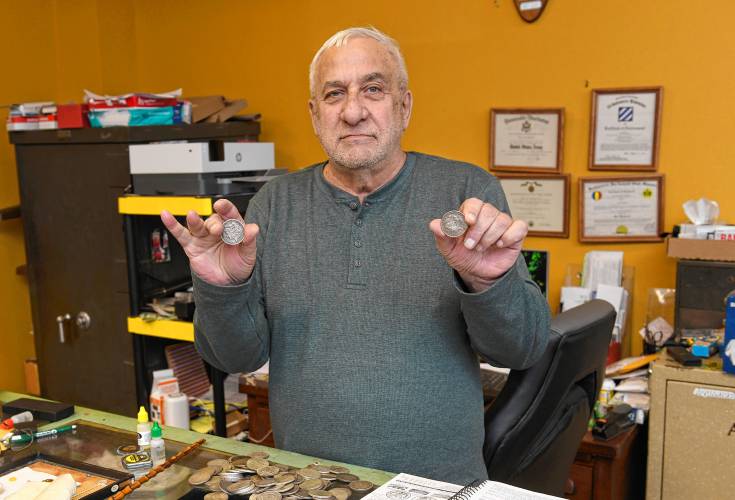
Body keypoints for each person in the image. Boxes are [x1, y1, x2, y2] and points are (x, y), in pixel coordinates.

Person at [161, 27, 550, 484]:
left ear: (403, 105)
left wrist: (487, 285)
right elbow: (234, 359)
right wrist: (222, 290)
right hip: (308, 485)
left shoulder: (467, 193)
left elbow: (522, 349)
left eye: (373, 89)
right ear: (314, 114)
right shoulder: (272, 205)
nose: (352, 111)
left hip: (438, 487)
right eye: (334, 94)